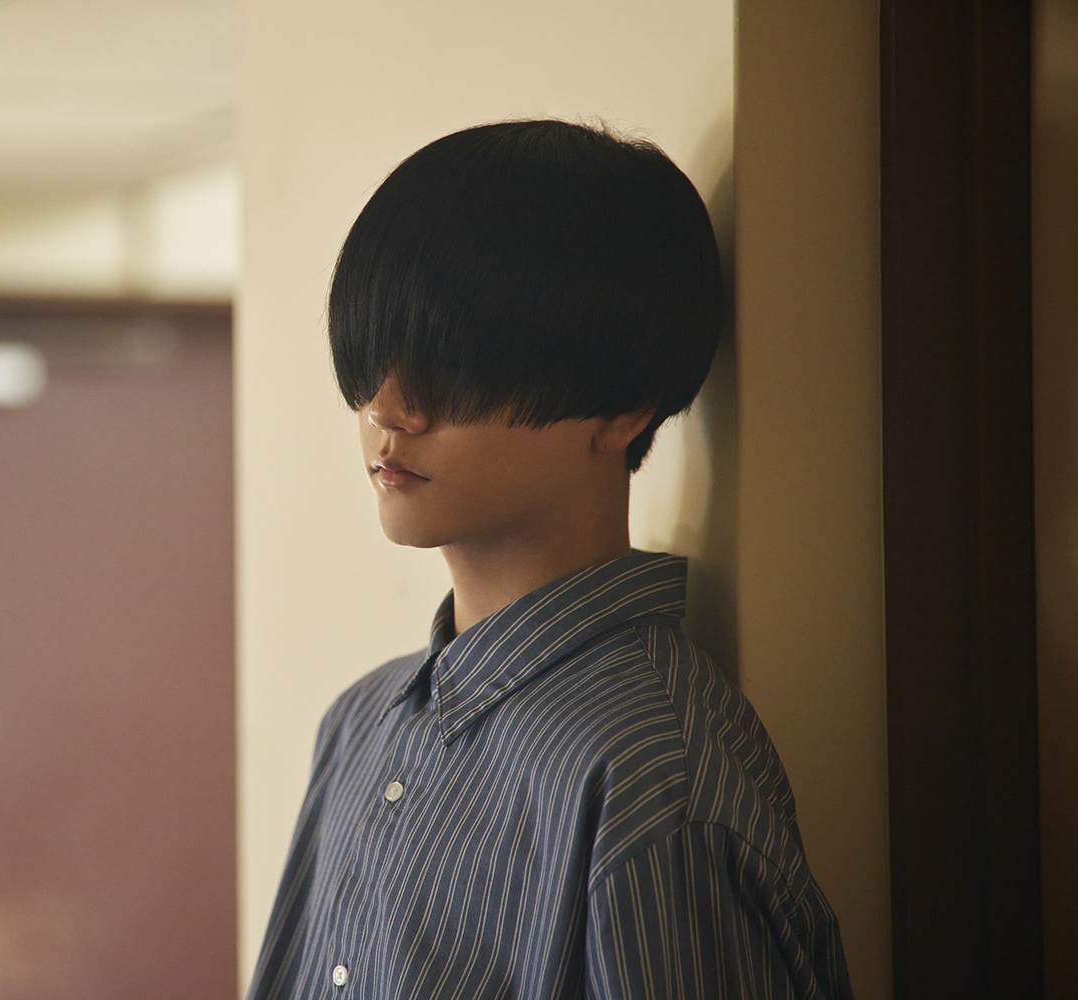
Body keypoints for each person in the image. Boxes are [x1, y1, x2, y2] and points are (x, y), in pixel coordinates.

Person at [245, 120, 852, 1000]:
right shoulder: (360, 723)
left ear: (622, 410)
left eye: (452, 366)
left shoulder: (649, 774)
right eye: (373, 357)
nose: (387, 410)